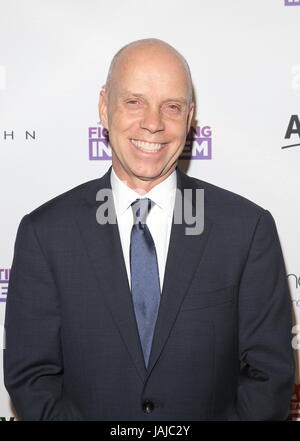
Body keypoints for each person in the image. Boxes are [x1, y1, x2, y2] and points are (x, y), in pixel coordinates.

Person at [3, 38, 295, 421]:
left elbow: (269, 376)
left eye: (171, 106)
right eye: (134, 101)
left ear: (190, 118)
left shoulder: (246, 230)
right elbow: (31, 378)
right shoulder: (45, 234)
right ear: (104, 108)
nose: (153, 123)